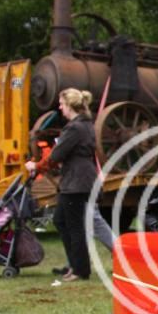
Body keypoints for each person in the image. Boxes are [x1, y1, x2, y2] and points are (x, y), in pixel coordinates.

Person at [25, 88, 98, 281]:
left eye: (62, 104)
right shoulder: (85, 124)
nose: (59, 107)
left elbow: (56, 155)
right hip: (81, 179)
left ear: (70, 106)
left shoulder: (74, 128)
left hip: (76, 181)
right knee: (61, 221)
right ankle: (74, 264)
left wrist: (36, 166)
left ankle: (80, 269)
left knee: (73, 225)